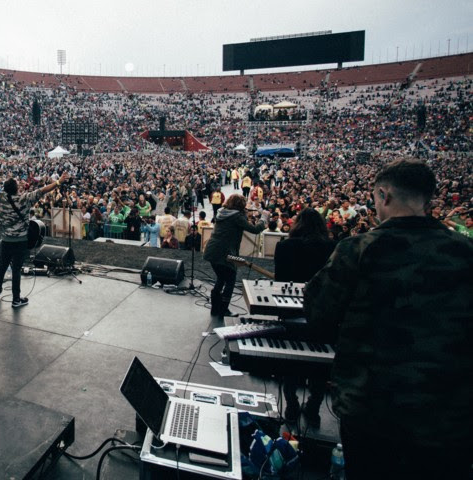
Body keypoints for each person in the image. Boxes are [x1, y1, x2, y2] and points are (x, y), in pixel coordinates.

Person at [304, 159, 473, 479]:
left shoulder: (359, 249)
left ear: (384, 195)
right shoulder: (465, 251)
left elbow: (318, 314)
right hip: (449, 413)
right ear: (428, 199)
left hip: (372, 408)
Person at [0, 165, 69, 307]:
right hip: (20, 241)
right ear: (17, 188)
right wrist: (59, 181)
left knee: (2, 267)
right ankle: (16, 299)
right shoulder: (25, 199)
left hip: (5, 240)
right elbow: (43, 190)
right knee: (16, 270)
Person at [273, 208, 335, 427]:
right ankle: (314, 408)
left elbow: (280, 280)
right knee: (319, 363)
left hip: (291, 309)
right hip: (323, 311)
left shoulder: (285, 246)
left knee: (291, 360)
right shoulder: (333, 247)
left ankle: (291, 405)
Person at [202, 193, 266, 316]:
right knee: (230, 279)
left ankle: (215, 308)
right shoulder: (237, 216)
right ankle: (224, 309)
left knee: (221, 278)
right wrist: (263, 219)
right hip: (224, 252)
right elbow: (255, 229)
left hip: (212, 250)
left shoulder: (222, 212)